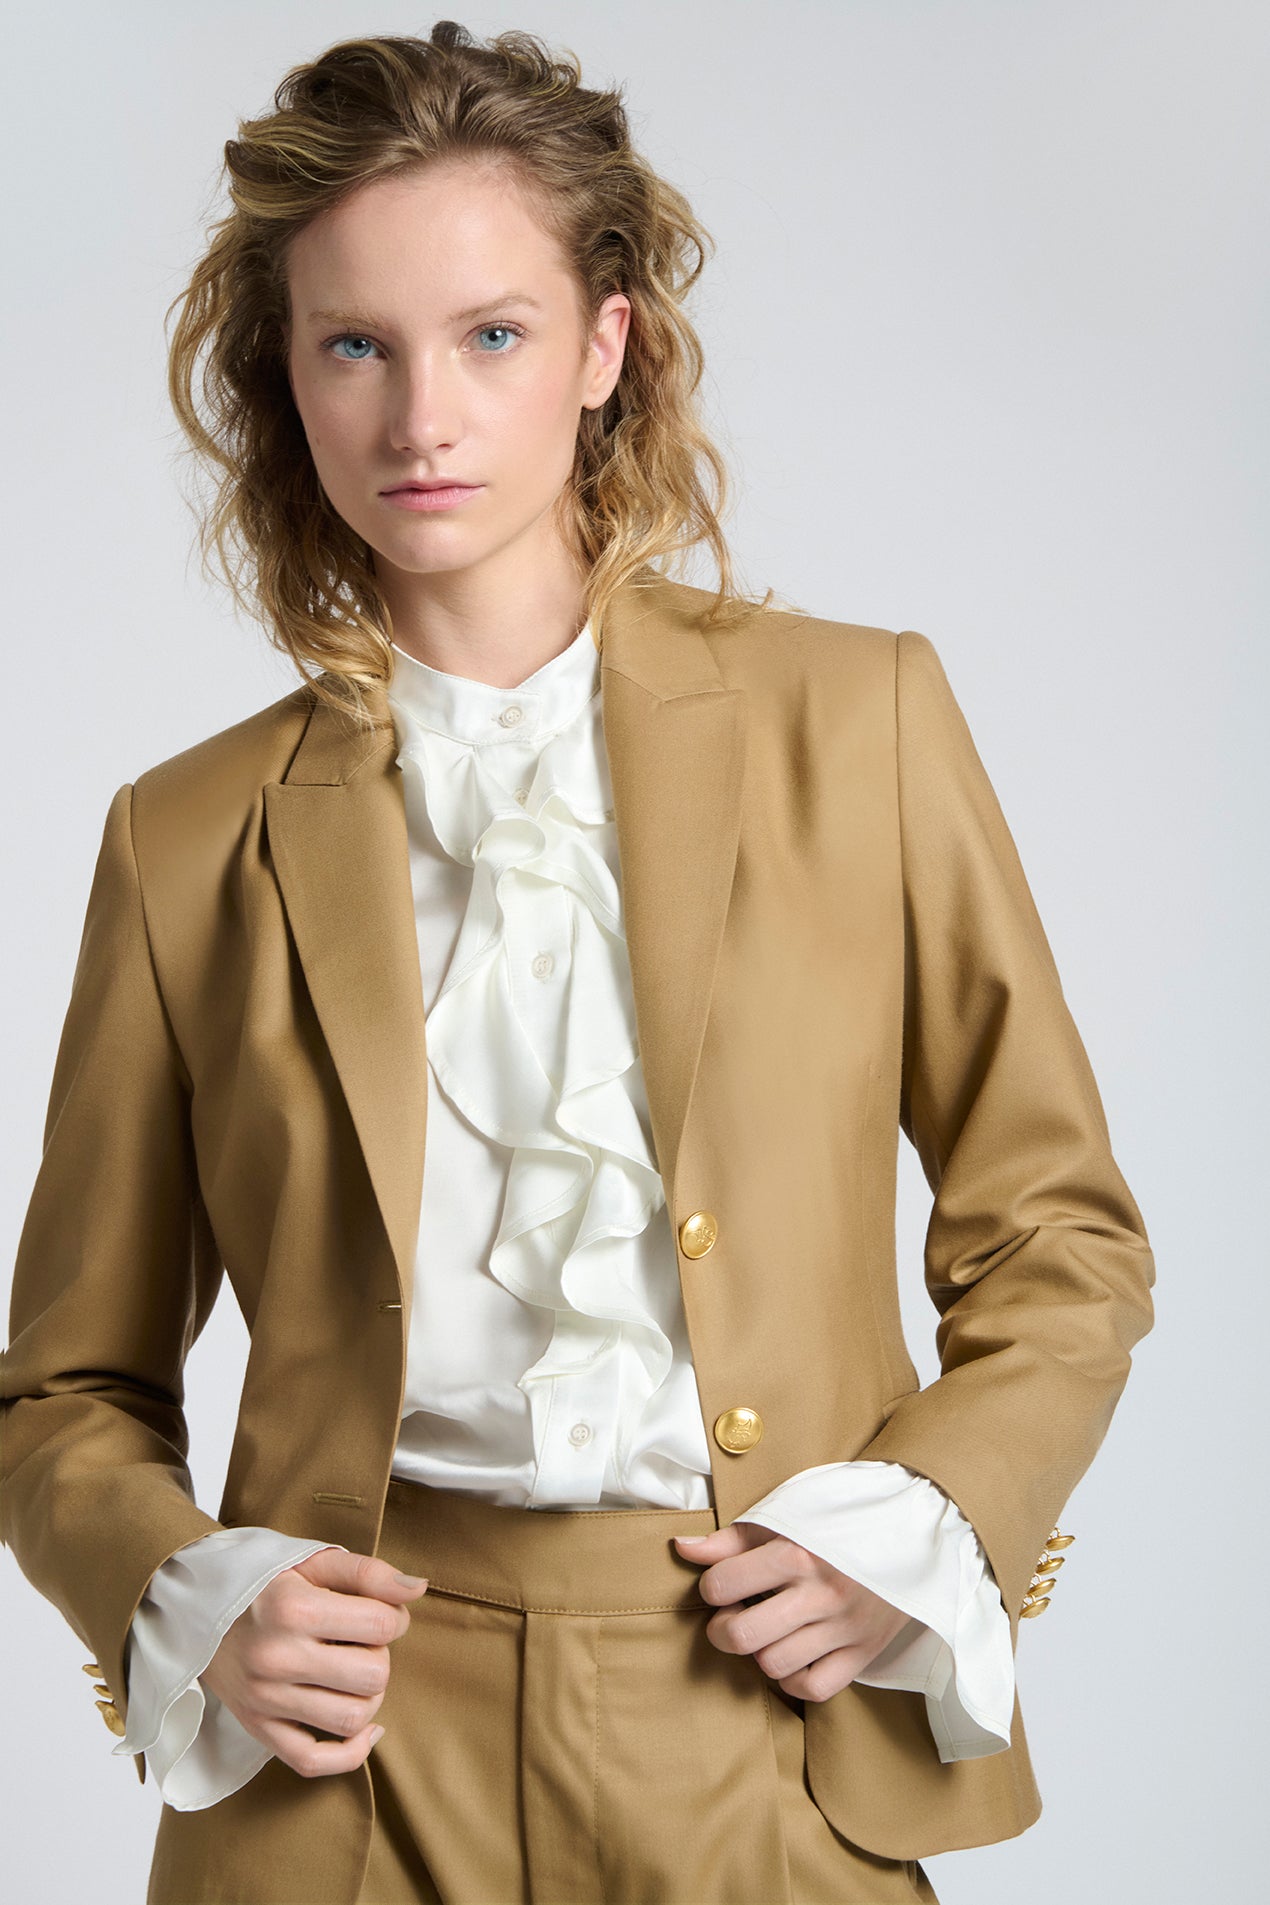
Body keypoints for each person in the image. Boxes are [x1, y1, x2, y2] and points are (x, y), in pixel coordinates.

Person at [0, 20, 1156, 1905]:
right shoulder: (185, 836)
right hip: (345, 1776)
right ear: (285, 373)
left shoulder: (856, 720)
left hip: (766, 1724)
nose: (420, 419)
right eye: (353, 345)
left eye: (491, 334)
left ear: (604, 344)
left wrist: (927, 1519)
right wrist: (187, 1589)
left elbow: (1061, 1239)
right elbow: (66, 1384)